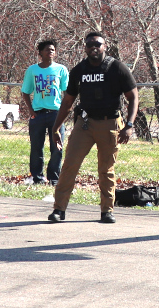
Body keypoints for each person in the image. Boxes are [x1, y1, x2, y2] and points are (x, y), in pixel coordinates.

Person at [48, 31, 139, 224]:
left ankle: (107, 211)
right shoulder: (79, 71)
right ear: (85, 48)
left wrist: (129, 125)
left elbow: (133, 97)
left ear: (105, 46)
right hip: (85, 124)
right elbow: (67, 102)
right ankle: (59, 209)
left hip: (110, 123)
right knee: (69, 165)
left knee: (106, 169)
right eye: (89, 44)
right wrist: (56, 128)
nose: (93, 47)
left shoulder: (117, 68)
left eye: (97, 44)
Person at [21, 39, 68, 184]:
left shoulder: (61, 70)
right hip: (38, 114)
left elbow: (67, 93)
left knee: (57, 148)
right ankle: (37, 177)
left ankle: (54, 178)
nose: (50, 52)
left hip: (56, 114)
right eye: (47, 49)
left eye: (53, 49)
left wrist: (64, 112)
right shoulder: (32, 70)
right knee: (36, 148)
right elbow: (25, 92)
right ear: (40, 52)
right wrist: (31, 111)